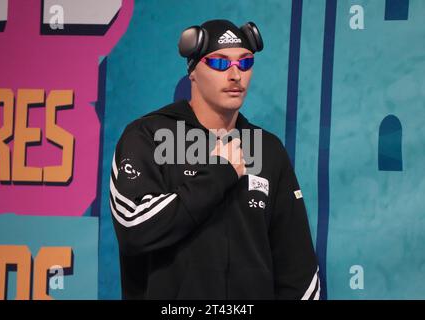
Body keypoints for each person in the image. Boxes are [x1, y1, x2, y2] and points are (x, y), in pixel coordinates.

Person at [110, 19, 320, 300]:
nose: (235, 75)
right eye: (220, 64)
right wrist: (218, 175)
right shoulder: (148, 136)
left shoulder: (267, 148)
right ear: (193, 72)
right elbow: (133, 226)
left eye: (245, 63)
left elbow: (298, 268)